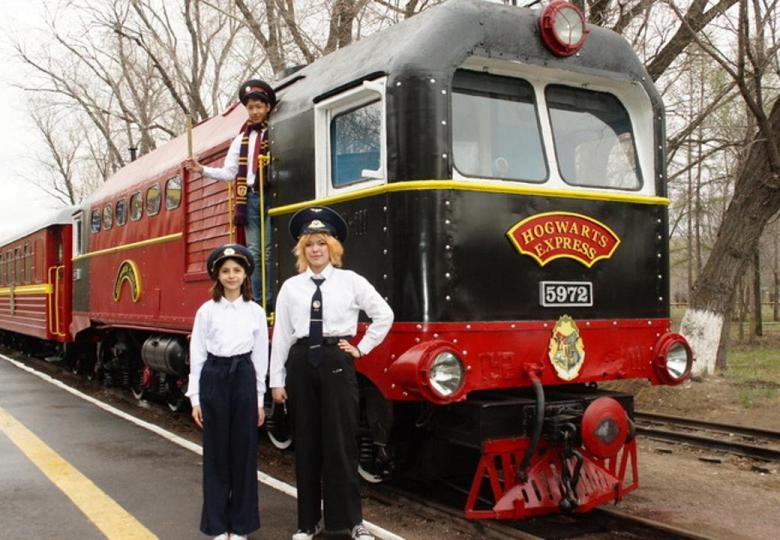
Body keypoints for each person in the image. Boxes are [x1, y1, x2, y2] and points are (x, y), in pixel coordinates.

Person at [269, 207, 394, 540]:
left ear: (333, 247)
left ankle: (351, 522)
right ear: (302, 250)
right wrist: (276, 380)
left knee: (341, 443)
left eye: (321, 243)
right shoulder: (291, 287)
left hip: (336, 360)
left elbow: (384, 314)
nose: (315, 250)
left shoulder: (351, 281)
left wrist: (361, 348)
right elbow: (281, 335)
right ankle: (307, 523)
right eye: (309, 244)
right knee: (306, 444)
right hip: (300, 362)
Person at [187, 244, 269, 540]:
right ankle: (218, 526)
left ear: (245, 275)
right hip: (215, 375)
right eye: (225, 271)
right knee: (216, 454)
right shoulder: (206, 311)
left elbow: (260, 357)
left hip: (244, 375)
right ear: (217, 276)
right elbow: (197, 353)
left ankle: (242, 525)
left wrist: (259, 399)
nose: (231, 276)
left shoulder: (255, 311)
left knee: (244, 454)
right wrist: (195, 397)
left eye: (237, 270)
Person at [185, 79, 276, 306]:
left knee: (269, 251)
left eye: (259, 107)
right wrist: (201, 169)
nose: (255, 112)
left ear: (268, 107)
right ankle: (259, 301)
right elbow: (229, 173)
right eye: (250, 108)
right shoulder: (241, 139)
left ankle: (272, 299)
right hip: (250, 197)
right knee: (254, 252)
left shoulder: (275, 132)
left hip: (273, 195)